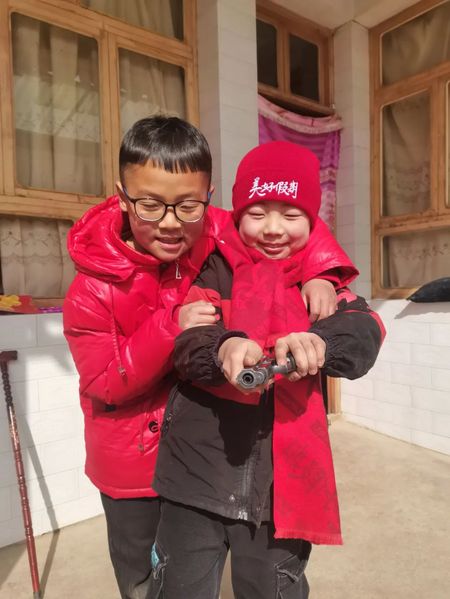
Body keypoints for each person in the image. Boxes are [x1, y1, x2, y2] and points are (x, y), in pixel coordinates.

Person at [63, 118, 352, 599]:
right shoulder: (90, 289)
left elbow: (285, 222)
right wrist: (170, 326)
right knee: (147, 584)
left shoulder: (213, 227)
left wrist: (323, 271)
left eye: (187, 205)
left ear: (207, 198)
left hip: (200, 461)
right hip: (135, 471)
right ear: (123, 196)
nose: (170, 222)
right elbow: (105, 384)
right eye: (150, 204)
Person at [151, 141, 386, 599]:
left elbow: (366, 330)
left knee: (272, 588)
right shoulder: (214, 267)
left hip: (281, 491)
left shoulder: (325, 285)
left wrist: (322, 341)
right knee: (179, 586)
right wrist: (223, 346)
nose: (274, 229)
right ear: (238, 214)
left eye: (291, 214)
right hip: (194, 475)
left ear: (313, 221)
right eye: (257, 213)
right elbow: (187, 342)